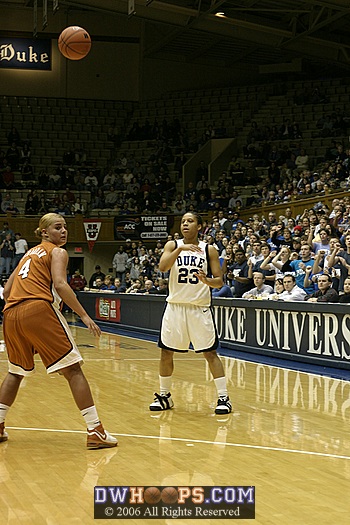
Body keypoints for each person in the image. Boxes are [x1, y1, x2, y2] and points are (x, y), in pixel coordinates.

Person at [0, 213, 117, 449]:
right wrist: (84, 315)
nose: (63, 231)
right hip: (38, 309)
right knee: (73, 369)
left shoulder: (27, 256)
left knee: (15, 372)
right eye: (57, 227)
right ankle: (95, 430)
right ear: (44, 232)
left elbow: (6, 291)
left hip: (11, 314)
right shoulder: (58, 252)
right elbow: (61, 284)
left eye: (64, 227)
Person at [149, 211, 232, 415]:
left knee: (209, 353)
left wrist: (207, 281)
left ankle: (224, 398)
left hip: (198, 308)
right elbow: (162, 267)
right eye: (183, 221)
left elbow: (219, 281)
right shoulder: (172, 245)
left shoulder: (209, 249)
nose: (185, 224)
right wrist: (180, 249)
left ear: (199, 226)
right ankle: (164, 395)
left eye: (190, 221)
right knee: (166, 352)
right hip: (175, 307)